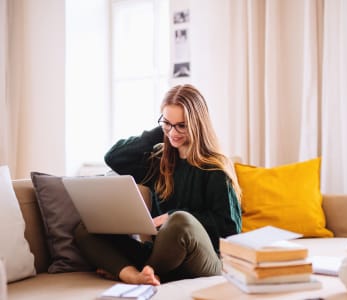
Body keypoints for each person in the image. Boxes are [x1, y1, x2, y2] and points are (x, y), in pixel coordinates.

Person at [74, 84, 242, 285]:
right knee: (86, 228)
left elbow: (229, 228)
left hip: (204, 259)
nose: (173, 132)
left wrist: (170, 218)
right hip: (162, 254)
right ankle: (135, 276)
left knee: (180, 221)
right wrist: (161, 131)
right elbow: (114, 157)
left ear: (197, 124)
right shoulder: (158, 160)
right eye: (167, 123)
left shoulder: (215, 167)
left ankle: (145, 272)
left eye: (182, 125)